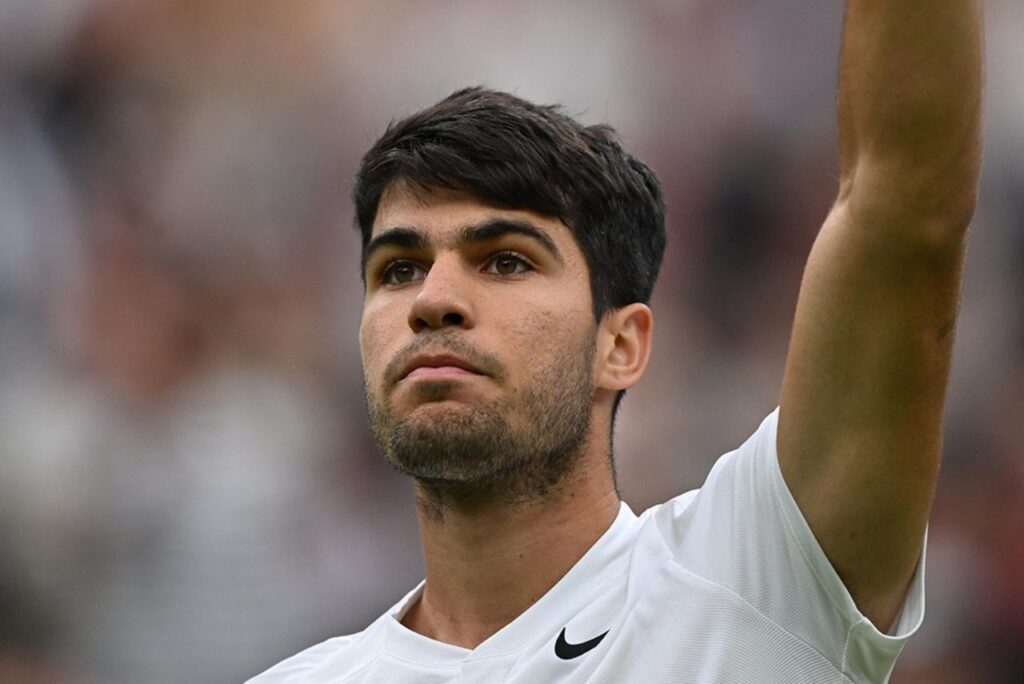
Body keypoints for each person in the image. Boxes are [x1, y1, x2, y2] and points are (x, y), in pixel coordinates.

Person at [249, 1, 983, 682]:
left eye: (506, 260)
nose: (433, 300)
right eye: (399, 268)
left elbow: (906, 205)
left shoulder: (756, 580)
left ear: (622, 344)